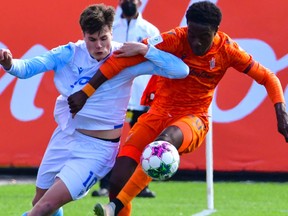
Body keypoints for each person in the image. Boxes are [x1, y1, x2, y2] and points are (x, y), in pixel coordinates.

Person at [67, 1, 288, 215]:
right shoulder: (176, 38)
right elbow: (123, 60)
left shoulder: (228, 50)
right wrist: (86, 92)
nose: (196, 42)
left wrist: (281, 112)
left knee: (163, 143)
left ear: (216, 31)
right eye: (192, 34)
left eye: (204, 37)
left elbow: (268, 77)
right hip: (156, 115)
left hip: (193, 120)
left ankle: (115, 206)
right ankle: (117, 205)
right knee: (116, 181)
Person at [0, 3, 189, 216]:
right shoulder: (70, 52)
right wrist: (8, 64)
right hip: (65, 136)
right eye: (92, 39)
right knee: (40, 202)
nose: (99, 45)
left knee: (43, 208)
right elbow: (26, 68)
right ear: (83, 36)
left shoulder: (125, 56)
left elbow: (181, 70)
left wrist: (145, 49)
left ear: (111, 32)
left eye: (104, 38)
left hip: (97, 150)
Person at [91, 0, 159, 198]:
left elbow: (157, 60)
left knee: (142, 139)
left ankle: (140, 185)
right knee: (109, 139)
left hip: (141, 94)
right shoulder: (111, 28)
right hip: (115, 93)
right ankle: (105, 185)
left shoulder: (150, 30)